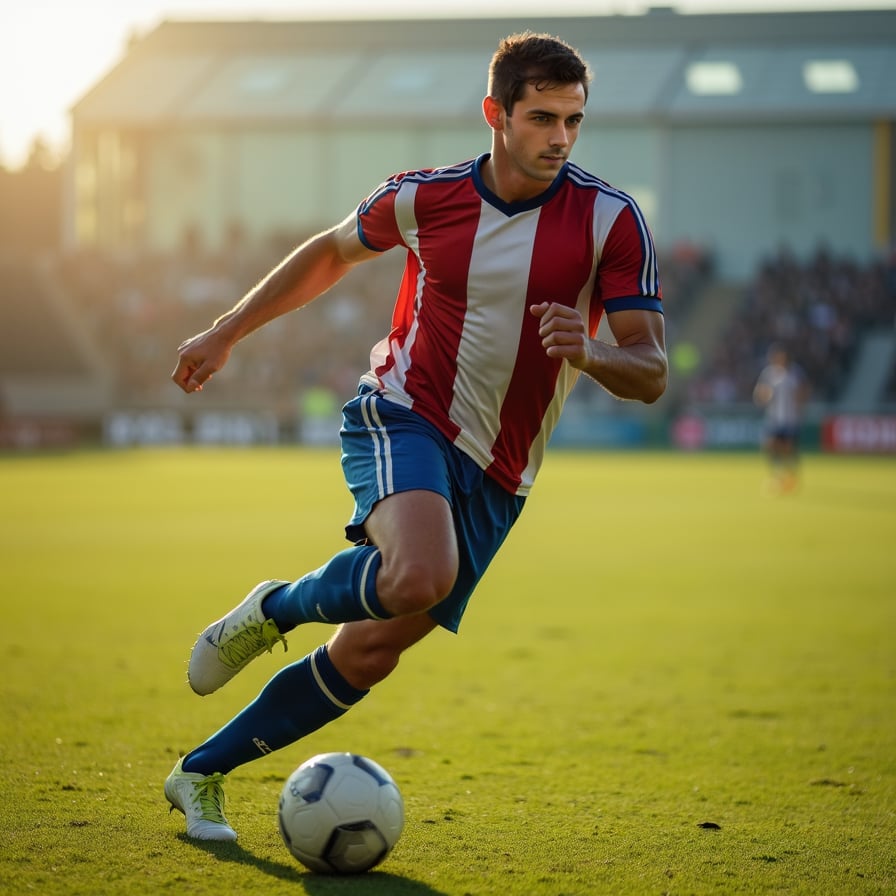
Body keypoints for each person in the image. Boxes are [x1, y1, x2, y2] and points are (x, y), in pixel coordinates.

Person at [165, 31, 667, 841]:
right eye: (542, 118)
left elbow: (651, 371)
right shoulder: (424, 198)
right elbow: (330, 253)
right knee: (419, 572)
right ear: (494, 114)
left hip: (504, 473)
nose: (561, 138)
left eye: (574, 120)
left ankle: (199, 775)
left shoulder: (612, 220)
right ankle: (276, 608)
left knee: (367, 654)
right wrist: (228, 330)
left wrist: (594, 350)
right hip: (406, 412)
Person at [753, 344, 808, 492]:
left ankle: (791, 475)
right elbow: (760, 393)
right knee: (770, 445)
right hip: (774, 417)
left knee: (788, 448)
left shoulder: (795, 372)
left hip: (790, 418)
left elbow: (802, 392)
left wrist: (800, 406)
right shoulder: (769, 373)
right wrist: (764, 396)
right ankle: (776, 476)